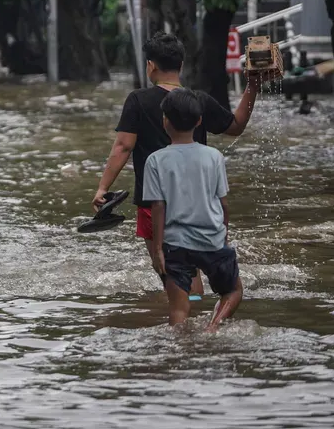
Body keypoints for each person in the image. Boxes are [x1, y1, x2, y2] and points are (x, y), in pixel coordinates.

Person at [93, 33, 272, 296]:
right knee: (190, 265)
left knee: (167, 265)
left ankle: (188, 314)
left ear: (151, 65)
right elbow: (235, 126)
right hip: (195, 200)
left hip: (153, 202)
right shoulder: (196, 100)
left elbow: (123, 146)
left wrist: (102, 188)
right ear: (181, 64)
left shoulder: (138, 100)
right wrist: (252, 87)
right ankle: (194, 307)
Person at [143, 89, 242, 331]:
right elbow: (223, 204)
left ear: (165, 120)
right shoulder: (214, 157)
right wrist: (223, 238)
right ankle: (213, 327)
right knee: (233, 291)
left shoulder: (155, 160)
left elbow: (157, 207)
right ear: (199, 122)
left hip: (175, 245)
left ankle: (180, 352)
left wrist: (157, 249)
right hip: (212, 240)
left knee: (179, 308)